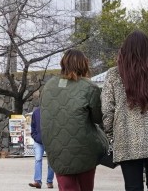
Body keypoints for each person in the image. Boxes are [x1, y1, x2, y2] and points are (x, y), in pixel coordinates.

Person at [101, 30, 148, 191]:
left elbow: (107, 110)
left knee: (133, 187)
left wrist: (111, 135)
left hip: (126, 139)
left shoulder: (114, 75)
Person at [41, 49, 102, 191]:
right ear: (84, 65)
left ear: (64, 63)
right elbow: (98, 118)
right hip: (84, 149)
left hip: (57, 149)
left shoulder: (49, 86)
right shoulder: (90, 87)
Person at [29, 104, 54, 188]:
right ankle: (37, 181)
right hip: (38, 141)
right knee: (38, 159)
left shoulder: (52, 112)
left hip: (50, 141)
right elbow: (33, 127)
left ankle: (49, 181)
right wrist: (35, 137)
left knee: (51, 162)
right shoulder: (36, 112)